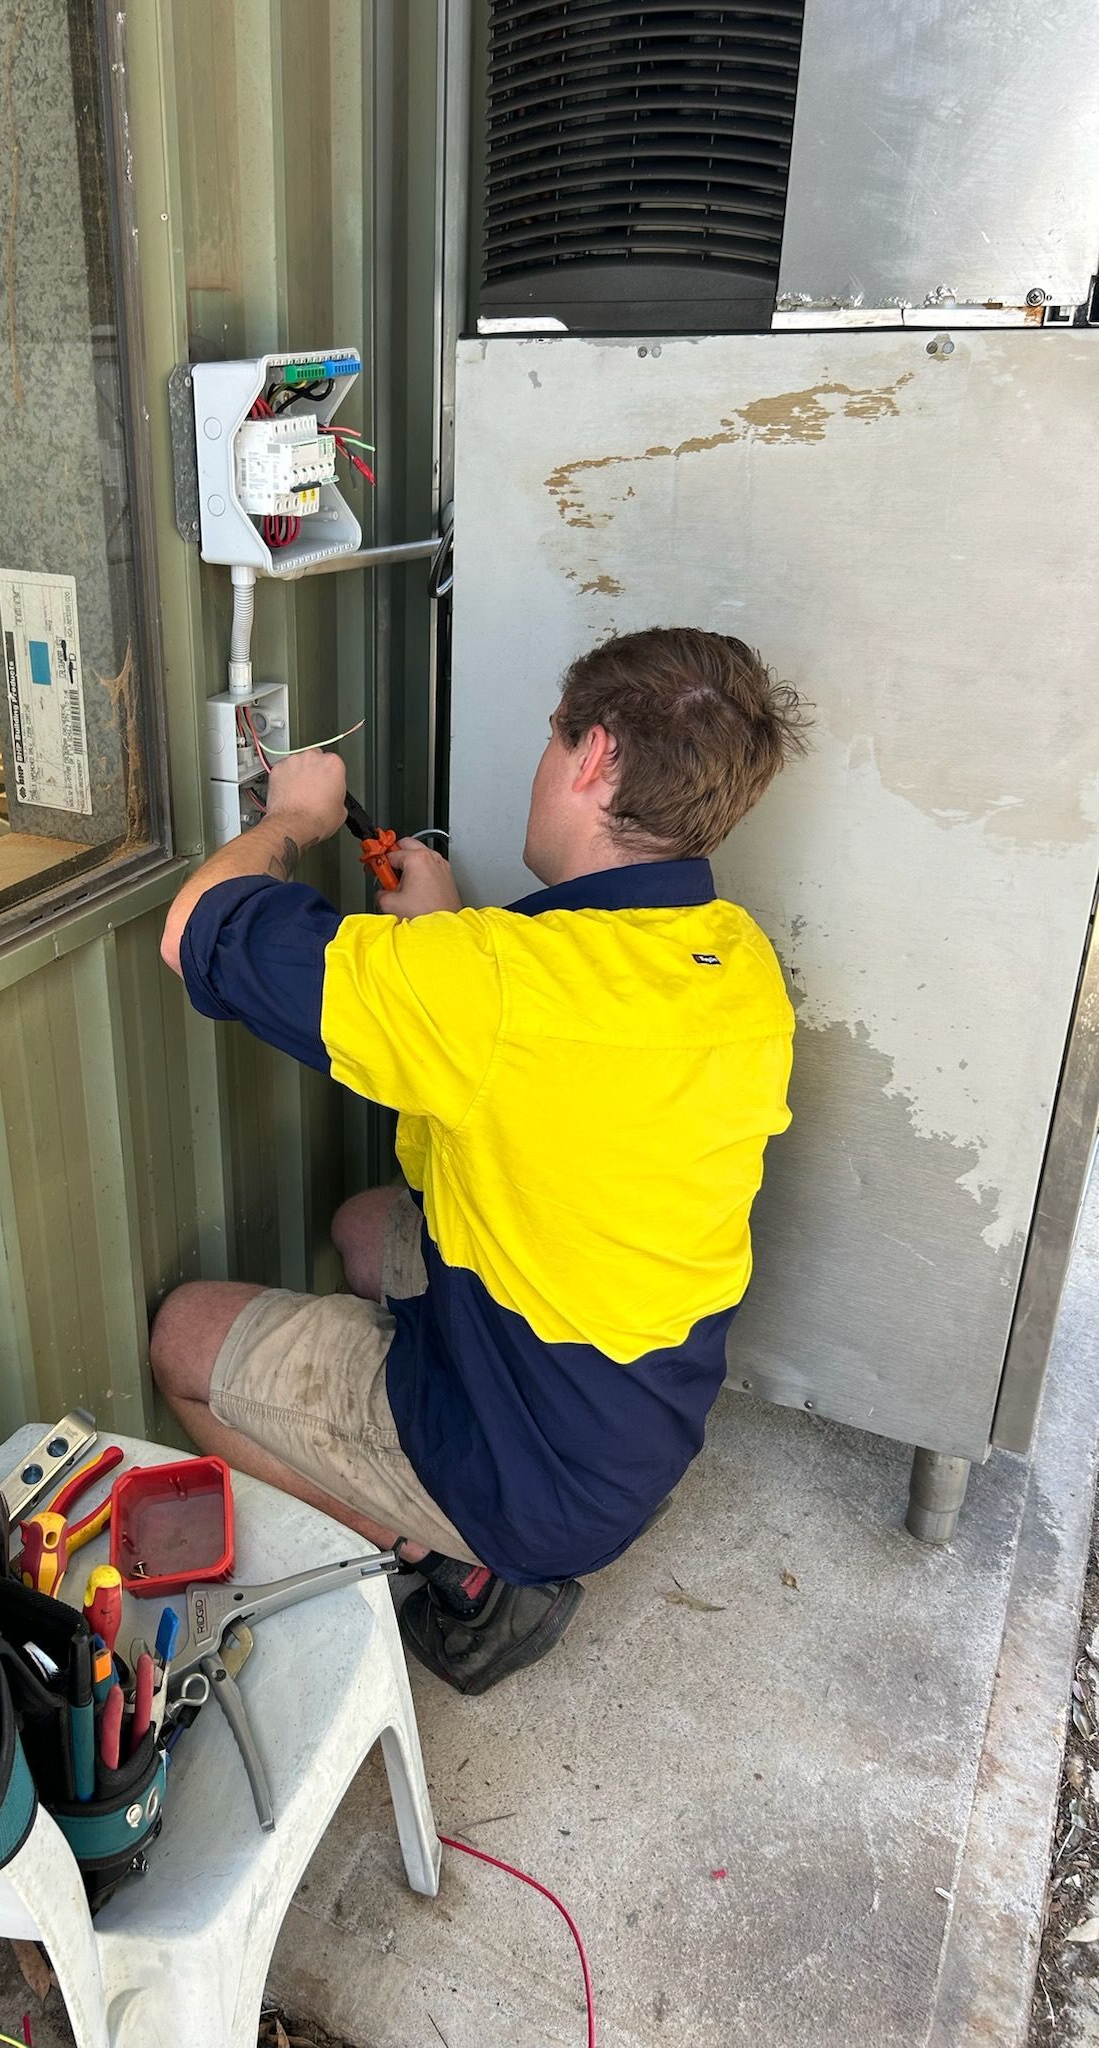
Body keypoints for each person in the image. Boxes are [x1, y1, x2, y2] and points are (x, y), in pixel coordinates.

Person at [150, 627, 808, 1693]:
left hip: (533, 1480)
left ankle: (450, 1558)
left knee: (184, 1335)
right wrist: (447, 931)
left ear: (592, 756)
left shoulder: (497, 990)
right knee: (368, 1226)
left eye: (556, 744)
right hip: (642, 1420)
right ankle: (459, 1512)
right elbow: (553, 1070)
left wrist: (293, 818)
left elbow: (198, 930)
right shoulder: (732, 957)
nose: (544, 767)